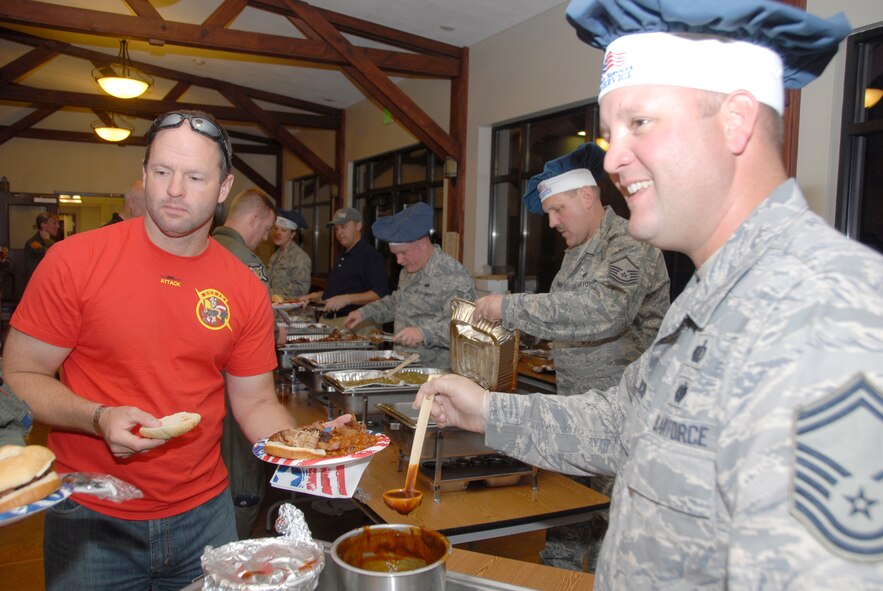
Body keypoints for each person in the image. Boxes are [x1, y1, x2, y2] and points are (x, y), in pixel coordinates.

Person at [417, 1, 883, 587]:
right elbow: (623, 424)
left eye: (640, 123)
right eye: (611, 133)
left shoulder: (824, 318)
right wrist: (486, 411)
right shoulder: (715, 295)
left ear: (736, 121)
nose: (612, 159)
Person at [1, 110, 312, 590]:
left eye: (194, 177)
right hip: (91, 517)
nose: (174, 190)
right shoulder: (74, 262)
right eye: (163, 172)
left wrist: (308, 454)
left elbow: (255, 401)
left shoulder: (244, 288)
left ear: (223, 189)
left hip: (206, 515)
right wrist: (98, 417)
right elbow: (21, 374)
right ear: (144, 174)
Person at [473, 142, 669, 572]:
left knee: (613, 543)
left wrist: (510, 307)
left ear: (587, 195)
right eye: (549, 214)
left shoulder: (631, 243)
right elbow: (565, 324)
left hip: (620, 420)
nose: (553, 222)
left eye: (559, 210)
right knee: (563, 522)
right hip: (572, 415)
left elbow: (604, 313)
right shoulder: (576, 253)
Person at [210, 187, 278, 540]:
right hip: (240, 381)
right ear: (253, 220)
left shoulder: (204, 247)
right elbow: (266, 329)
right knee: (242, 467)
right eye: (265, 229)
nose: (265, 237)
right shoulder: (247, 262)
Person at [344, 202, 476, 369]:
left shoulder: (453, 275)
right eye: (395, 254)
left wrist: (424, 333)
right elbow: (397, 302)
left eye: (403, 253)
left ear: (421, 243)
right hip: (404, 366)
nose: (399, 261)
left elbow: (465, 327)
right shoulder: (408, 270)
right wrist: (364, 313)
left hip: (437, 375)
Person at [299, 207, 389, 320]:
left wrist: (347, 299)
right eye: (336, 229)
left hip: (357, 324)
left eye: (344, 227)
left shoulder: (371, 255)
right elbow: (340, 291)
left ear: (358, 226)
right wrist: (316, 296)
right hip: (332, 321)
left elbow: (380, 294)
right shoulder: (343, 254)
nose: (339, 233)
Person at [267, 209, 312, 300]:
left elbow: (300, 289)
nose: (278, 233)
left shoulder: (300, 258)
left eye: (283, 230)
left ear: (292, 234)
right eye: (276, 228)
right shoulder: (275, 256)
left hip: (290, 311)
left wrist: (275, 296)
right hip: (274, 307)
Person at [23, 211, 59, 280]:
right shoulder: (33, 243)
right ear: (43, 225)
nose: (57, 226)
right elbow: (53, 255)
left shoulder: (50, 241)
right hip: (36, 282)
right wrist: (48, 241)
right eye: (54, 223)